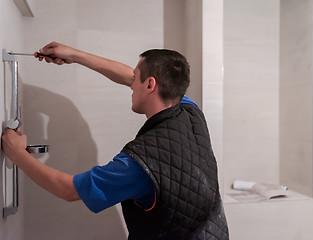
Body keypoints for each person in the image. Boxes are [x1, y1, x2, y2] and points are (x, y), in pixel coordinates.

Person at [1, 42, 229, 239]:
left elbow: (69, 190)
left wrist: (17, 153)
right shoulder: (191, 112)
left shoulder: (139, 164)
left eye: (135, 78)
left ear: (150, 85)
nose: (131, 84)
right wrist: (74, 55)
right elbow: (131, 76)